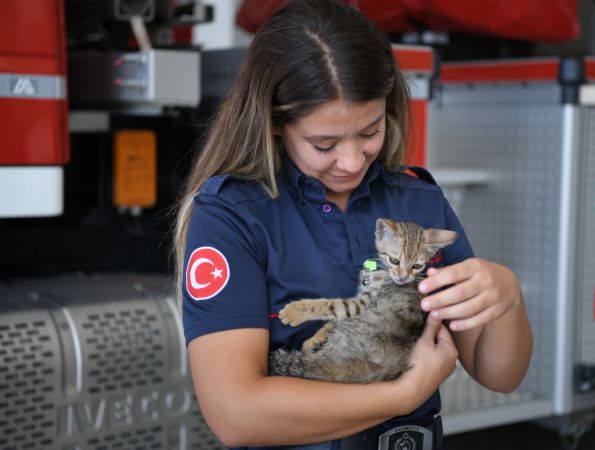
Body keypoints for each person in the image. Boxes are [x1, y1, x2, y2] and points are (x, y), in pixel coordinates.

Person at [173, 0, 533, 449]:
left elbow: (500, 374)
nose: (350, 162)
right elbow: (236, 414)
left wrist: (508, 296)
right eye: (324, 144)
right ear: (274, 124)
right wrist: (404, 394)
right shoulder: (233, 214)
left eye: (370, 132)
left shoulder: (417, 200)